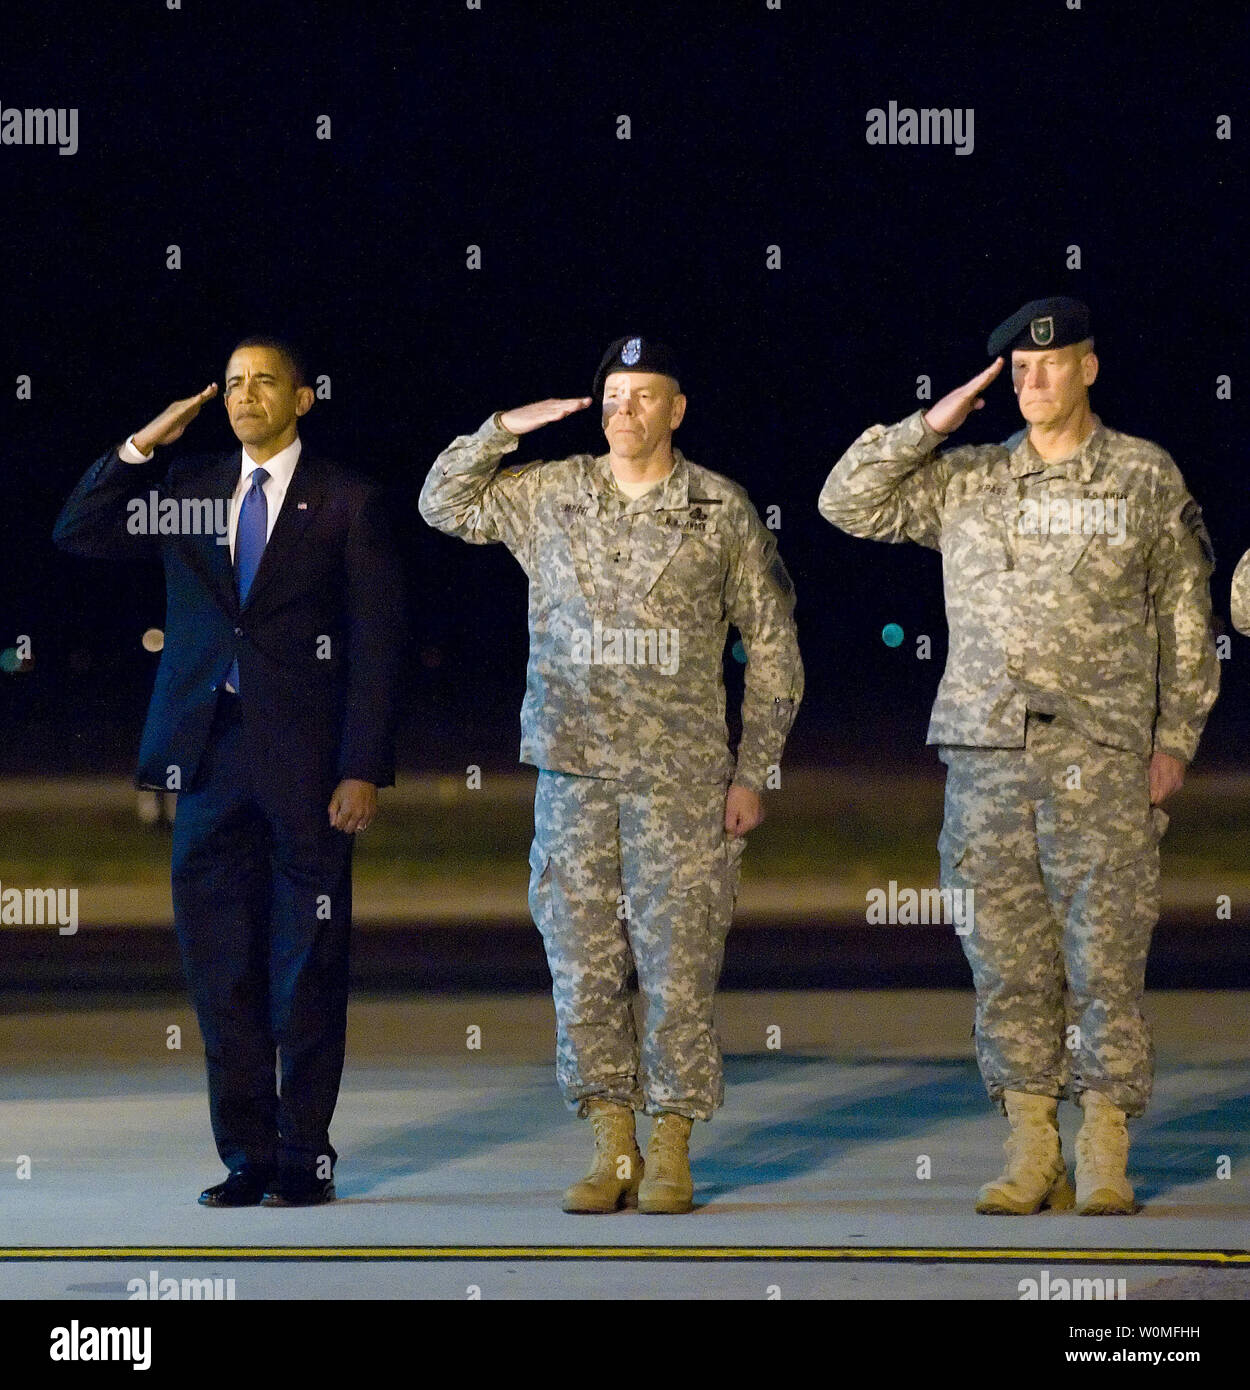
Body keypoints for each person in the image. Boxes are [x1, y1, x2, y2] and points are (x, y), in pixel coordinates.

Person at [819, 297, 1219, 1215]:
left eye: (1052, 362)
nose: (1034, 379)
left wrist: (1176, 740)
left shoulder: (1143, 478)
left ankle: (1107, 1143)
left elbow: (1186, 620)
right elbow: (845, 502)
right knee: (1005, 961)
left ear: (1089, 366)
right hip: (988, 755)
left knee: (1105, 959)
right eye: (1019, 369)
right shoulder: (966, 480)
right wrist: (931, 421)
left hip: (1104, 753)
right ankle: (1032, 1140)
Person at [420, 336, 803, 1213]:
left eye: (643, 395)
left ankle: (671, 1143)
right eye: (611, 395)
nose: (622, 410)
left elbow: (776, 650)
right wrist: (501, 429)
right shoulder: (551, 494)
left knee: (678, 970)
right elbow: (441, 503)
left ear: (676, 409)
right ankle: (612, 1144)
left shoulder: (719, 510)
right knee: (583, 969)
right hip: (575, 775)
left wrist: (754, 772)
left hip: (684, 780)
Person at [53, 337, 404, 1207]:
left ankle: (303, 1154)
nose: (247, 396)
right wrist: (144, 445)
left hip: (310, 771)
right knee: (222, 969)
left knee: (308, 964)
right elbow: (79, 530)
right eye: (236, 384)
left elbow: (379, 647)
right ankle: (246, 1155)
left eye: (265, 383)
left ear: (303, 397)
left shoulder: (349, 501)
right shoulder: (191, 488)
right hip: (208, 761)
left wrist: (362, 766)